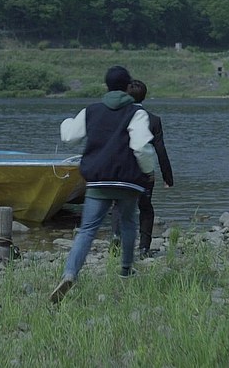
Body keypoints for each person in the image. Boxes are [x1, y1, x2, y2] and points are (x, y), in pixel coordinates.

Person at [49, 66, 157, 304]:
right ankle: (126, 271)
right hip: (128, 180)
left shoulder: (91, 110)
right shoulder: (136, 112)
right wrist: (148, 170)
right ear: (127, 86)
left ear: (106, 86)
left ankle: (70, 273)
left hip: (98, 178)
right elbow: (141, 146)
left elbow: (69, 137)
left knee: (87, 229)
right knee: (128, 223)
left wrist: (67, 122)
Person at [115, 79, 173, 258]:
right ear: (144, 96)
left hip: (120, 170)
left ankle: (116, 243)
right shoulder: (153, 120)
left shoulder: (117, 117)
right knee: (145, 208)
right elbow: (160, 150)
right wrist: (167, 177)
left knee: (118, 206)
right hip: (144, 171)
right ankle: (144, 248)